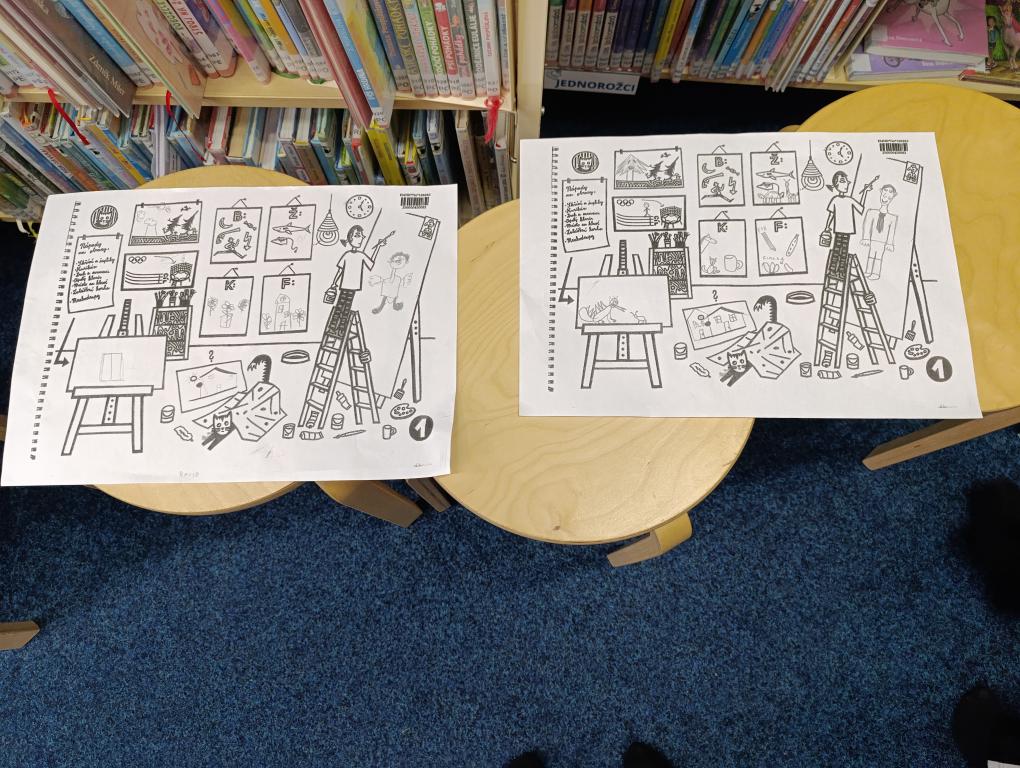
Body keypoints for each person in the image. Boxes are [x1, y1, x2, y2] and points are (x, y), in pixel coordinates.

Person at [323, 225, 373, 305]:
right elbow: (340, 271)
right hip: (345, 286)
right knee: (340, 305)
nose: (361, 238)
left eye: (362, 236)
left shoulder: (361, 255)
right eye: (357, 236)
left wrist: (378, 247)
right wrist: (334, 282)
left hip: (353, 286)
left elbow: (371, 264)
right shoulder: (347, 255)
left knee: (346, 306)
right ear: (350, 238)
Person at [860, 184, 898, 280]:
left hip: (882, 241)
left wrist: (889, 243)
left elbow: (891, 232)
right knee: (871, 255)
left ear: (892, 198)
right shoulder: (871, 212)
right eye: (884, 195)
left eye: (889, 197)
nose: (885, 198)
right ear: (881, 194)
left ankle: (876, 273)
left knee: (878, 257)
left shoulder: (893, 218)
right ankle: (868, 271)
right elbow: (867, 225)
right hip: (873, 239)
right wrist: (865, 238)